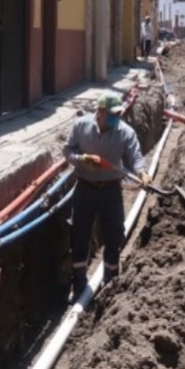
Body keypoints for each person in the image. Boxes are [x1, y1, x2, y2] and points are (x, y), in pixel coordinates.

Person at [62, 92, 150, 294]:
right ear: (99, 112)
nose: (115, 118)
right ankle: (79, 283)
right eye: (111, 114)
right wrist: (82, 159)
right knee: (79, 235)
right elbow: (67, 151)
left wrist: (142, 172)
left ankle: (110, 281)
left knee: (115, 233)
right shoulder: (81, 126)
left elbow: (134, 155)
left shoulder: (124, 132)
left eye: (117, 114)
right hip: (85, 188)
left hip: (111, 189)